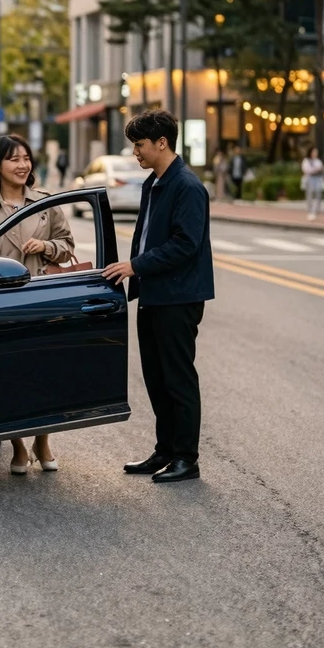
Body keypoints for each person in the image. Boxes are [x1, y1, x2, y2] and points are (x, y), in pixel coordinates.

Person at [103, 110, 214, 484]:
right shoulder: (155, 183)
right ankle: (165, 451)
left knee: (178, 378)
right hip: (154, 293)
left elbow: (185, 244)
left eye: (140, 144)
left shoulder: (187, 186)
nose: (136, 152)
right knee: (156, 376)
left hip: (178, 297)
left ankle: (186, 458)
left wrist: (135, 266)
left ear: (161, 143)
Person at [0, 134, 76, 476]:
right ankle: (17, 443)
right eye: (13, 159)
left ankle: (43, 439)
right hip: (1, 304)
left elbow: (67, 245)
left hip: (41, 299)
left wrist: (45, 246)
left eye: (26, 158)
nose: (22, 165)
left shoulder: (45, 203)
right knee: (8, 375)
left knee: (43, 373)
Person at [301, 147, 324, 221]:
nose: (315, 153)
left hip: (318, 179)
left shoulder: (318, 161)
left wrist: (320, 170)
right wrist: (316, 170)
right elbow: (307, 170)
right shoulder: (306, 161)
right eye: (314, 152)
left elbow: (323, 169)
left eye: (316, 152)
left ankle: (316, 211)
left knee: (318, 195)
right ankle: (310, 212)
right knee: (310, 196)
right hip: (309, 180)